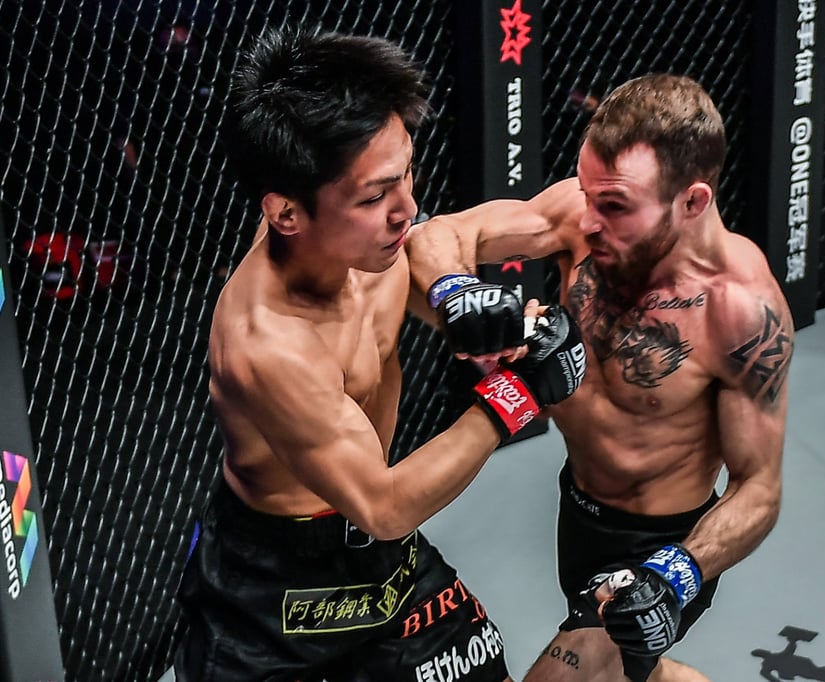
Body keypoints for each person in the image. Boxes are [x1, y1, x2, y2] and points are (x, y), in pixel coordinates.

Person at [169, 28, 586, 682]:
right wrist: (517, 394)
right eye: (374, 197)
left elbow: (437, 246)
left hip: (383, 565)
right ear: (286, 215)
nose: (406, 209)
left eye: (406, 174)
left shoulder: (362, 243)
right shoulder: (269, 343)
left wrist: (468, 306)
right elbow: (385, 505)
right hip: (276, 595)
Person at [406, 73, 794, 682]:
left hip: (657, 548)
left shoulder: (740, 311)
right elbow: (438, 234)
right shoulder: (583, 216)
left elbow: (759, 489)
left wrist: (677, 575)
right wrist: (456, 292)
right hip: (579, 511)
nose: (587, 221)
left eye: (613, 206)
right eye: (587, 194)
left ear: (692, 202)